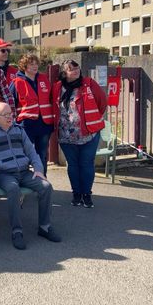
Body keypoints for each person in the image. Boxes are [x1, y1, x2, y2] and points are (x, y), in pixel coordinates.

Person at [0, 102, 61, 250]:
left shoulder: (19, 130)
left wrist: (38, 169)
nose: (10, 117)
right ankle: (17, 231)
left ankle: (45, 226)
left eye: (11, 114)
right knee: (13, 189)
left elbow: (31, 152)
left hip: (24, 171)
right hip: (4, 174)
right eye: (5, 115)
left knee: (46, 187)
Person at [53, 59, 107, 208]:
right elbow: (53, 106)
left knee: (87, 164)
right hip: (66, 135)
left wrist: (91, 119)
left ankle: (87, 194)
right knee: (73, 165)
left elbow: (102, 102)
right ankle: (76, 194)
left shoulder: (89, 83)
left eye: (77, 69)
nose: (75, 71)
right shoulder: (57, 87)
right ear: (65, 72)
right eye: (71, 69)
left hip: (88, 134)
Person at [9, 54, 55, 176]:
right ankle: (25, 180)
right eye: (31, 64)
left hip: (44, 124)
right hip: (26, 125)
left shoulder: (44, 79)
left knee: (42, 154)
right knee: (24, 154)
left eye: (36, 64)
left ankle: (42, 180)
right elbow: (10, 103)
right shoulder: (17, 82)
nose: (35, 66)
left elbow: (51, 98)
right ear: (24, 66)